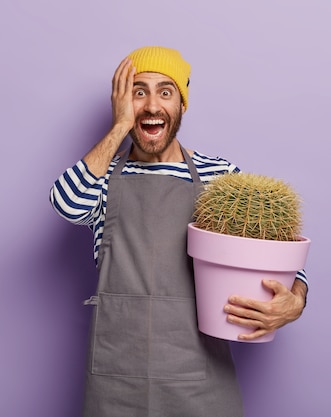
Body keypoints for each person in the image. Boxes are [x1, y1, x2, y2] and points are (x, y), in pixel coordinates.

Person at [49, 46, 308, 417]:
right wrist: (120, 126)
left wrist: (295, 299)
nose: (152, 106)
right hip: (115, 382)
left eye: (165, 92)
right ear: (122, 102)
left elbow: (278, 256)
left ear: (182, 105)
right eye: (139, 92)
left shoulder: (221, 178)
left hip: (200, 384)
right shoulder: (101, 177)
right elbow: (66, 203)